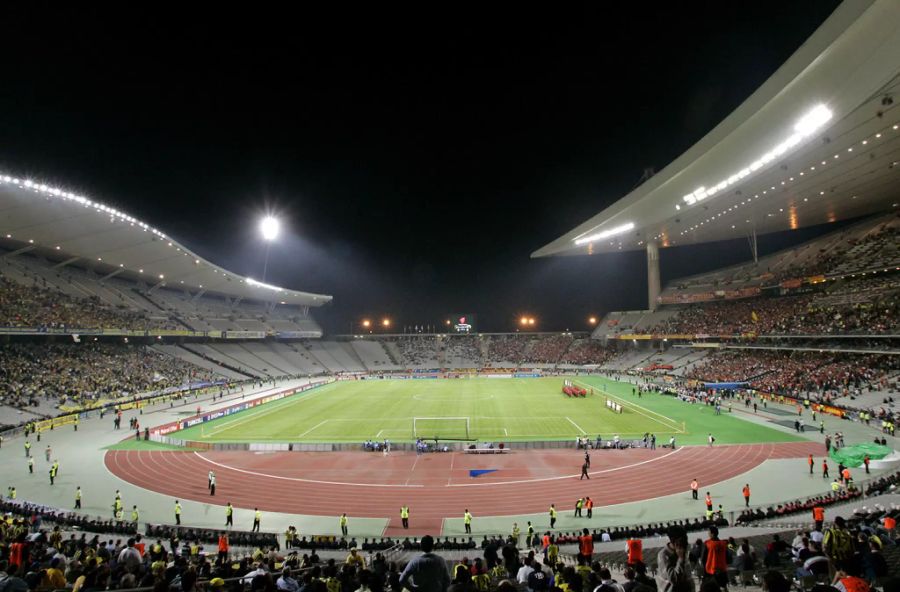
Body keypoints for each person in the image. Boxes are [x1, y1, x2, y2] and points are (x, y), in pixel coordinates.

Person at [656, 524, 695, 592]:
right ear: (673, 541)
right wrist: (680, 558)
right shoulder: (663, 555)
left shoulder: (683, 551)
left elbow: (688, 576)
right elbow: (674, 579)